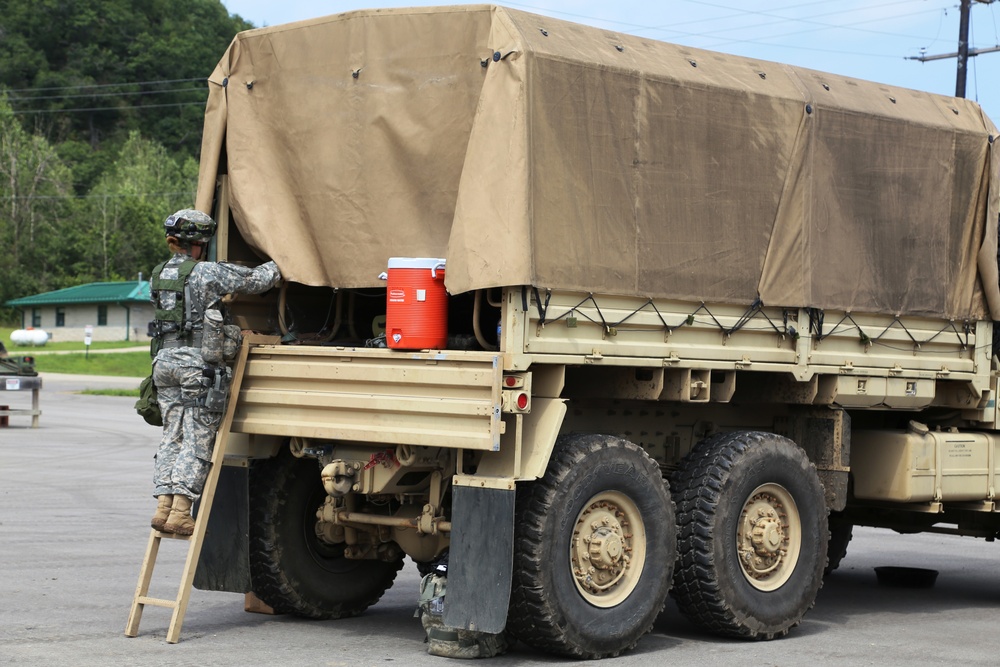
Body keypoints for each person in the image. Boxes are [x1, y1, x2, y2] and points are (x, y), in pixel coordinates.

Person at [149, 209, 281, 535]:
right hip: (196, 366)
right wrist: (282, 261)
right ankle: (181, 512)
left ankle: (162, 507)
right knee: (197, 439)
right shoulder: (206, 272)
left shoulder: (158, 272)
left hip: (163, 365)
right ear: (201, 244)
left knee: (172, 436)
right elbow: (257, 280)